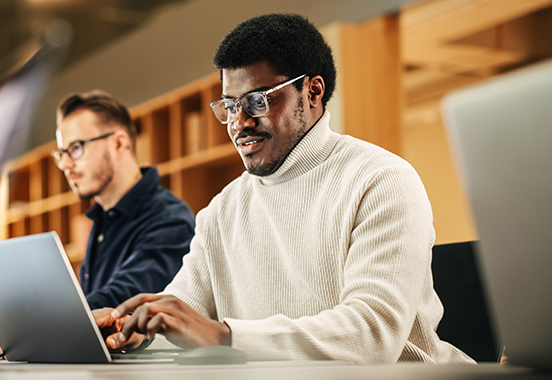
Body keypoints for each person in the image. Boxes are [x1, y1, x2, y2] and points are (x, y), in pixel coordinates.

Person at [93, 14, 474, 364]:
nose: (238, 122)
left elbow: (372, 336)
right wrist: (128, 331)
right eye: (229, 104)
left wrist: (224, 337)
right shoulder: (222, 210)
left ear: (312, 92)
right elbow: (183, 317)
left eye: (257, 101)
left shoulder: (380, 180)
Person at [52, 90, 195, 309]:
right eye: (61, 154)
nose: (64, 165)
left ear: (119, 143)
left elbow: (121, 303)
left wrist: (39, 329)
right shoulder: (101, 219)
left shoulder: (170, 220)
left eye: (76, 148)